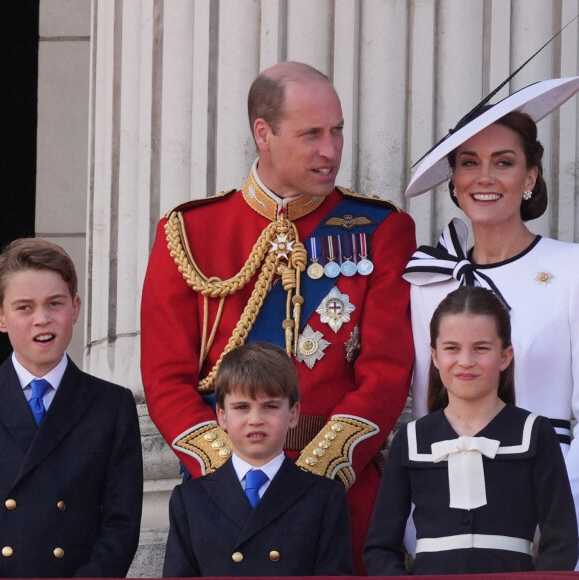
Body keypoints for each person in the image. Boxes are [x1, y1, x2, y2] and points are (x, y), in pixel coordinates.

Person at [141, 60, 415, 569]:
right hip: (222, 496)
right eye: (311, 134)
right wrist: (237, 469)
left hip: (338, 491)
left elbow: (387, 373)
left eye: (337, 131)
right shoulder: (190, 232)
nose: (330, 149)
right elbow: (165, 379)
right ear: (262, 133)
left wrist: (313, 475)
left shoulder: (381, 228)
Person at [402, 77, 579, 547]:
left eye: (504, 162)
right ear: (453, 181)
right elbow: (424, 407)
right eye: (469, 164)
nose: (485, 178)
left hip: (551, 505)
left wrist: (563, 519)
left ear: (531, 177)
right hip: (447, 513)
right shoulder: (427, 282)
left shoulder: (572, 269)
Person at [364, 286, 578, 575]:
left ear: (505, 356)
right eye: (452, 348)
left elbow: (562, 542)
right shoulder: (412, 439)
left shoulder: (535, 433)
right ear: (435, 356)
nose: (465, 361)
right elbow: (379, 547)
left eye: (481, 348)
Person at [0, 238, 143, 578]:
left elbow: (120, 525)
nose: (42, 319)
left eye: (54, 303)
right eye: (24, 307)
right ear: (1, 317)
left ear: (75, 308)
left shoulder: (112, 406)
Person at [162, 341, 353, 576]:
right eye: (242, 407)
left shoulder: (323, 497)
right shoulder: (190, 500)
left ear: (293, 414)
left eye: (270, 406)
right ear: (222, 416)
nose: (255, 419)